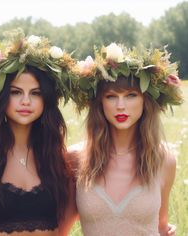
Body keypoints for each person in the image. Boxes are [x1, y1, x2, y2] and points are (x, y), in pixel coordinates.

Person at [0, 29, 77, 236]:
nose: (26, 101)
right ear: (0, 97)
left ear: (46, 100)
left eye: (36, 93)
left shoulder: (58, 161)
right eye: (15, 92)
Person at [71, 43, 183, 235]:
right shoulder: (75, 158)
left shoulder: (164, 159)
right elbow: (59, 229)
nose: (121, 106)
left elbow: (161, 226)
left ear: (145, 101)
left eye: (131, 95)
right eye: (111, 96)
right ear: (100, 103)